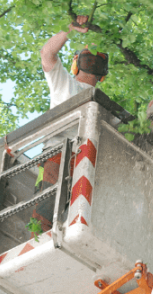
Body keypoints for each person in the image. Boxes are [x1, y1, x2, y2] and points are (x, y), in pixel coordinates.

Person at [30, 15, 110, 233]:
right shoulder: (63, 83)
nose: (92, 61)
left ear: (103, 73)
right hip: (57, 154)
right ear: (76, 63)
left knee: (84, 222)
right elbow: (47, 53)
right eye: (88, 57)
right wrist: (70, 29)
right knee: (45, 212)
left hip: (89, 160)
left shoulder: (106, 107)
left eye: (98, 60)